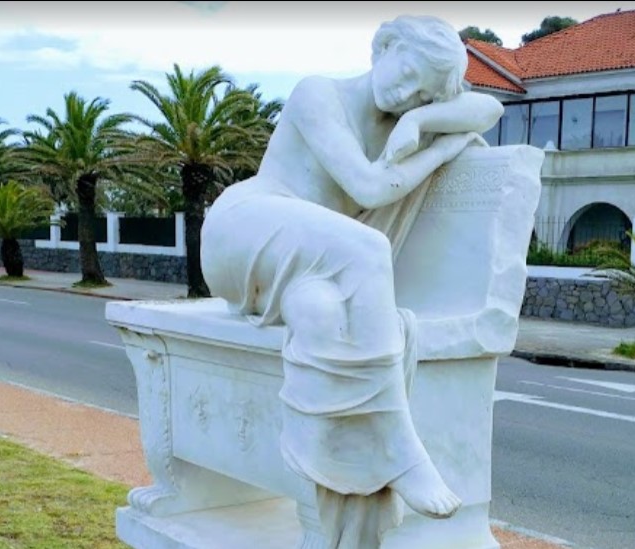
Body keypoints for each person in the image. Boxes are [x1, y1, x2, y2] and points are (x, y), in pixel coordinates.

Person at [200, 14, 503, 533]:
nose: (408, 94)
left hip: (306, 266)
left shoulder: (406, 120)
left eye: (423, 95)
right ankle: (400, 447)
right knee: (368, 246)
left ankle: (322, 482)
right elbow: (368, 188)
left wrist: (422, 125)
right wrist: (443, 147)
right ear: (384, 46)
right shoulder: (318, 94)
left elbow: (490, 106)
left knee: (319, 315)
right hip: (243, 229)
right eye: (408, 73)